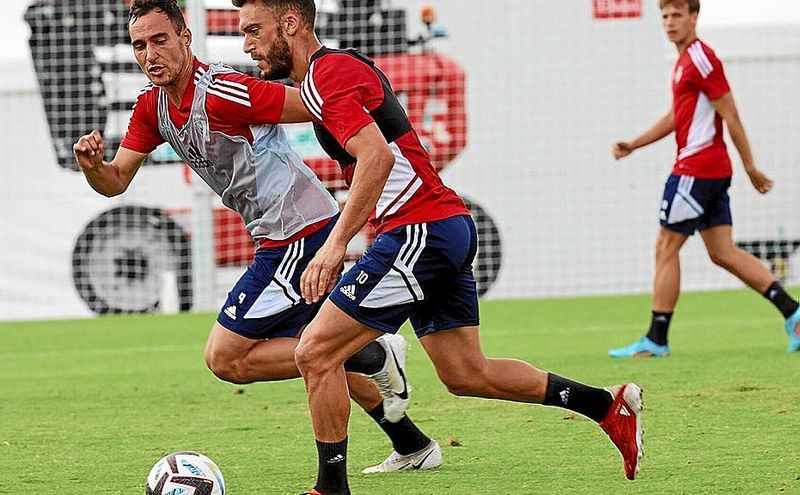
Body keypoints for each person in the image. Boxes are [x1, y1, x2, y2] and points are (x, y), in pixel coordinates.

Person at [232, 1, 644, 493]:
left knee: (315, 352)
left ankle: (330, 488)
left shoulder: (327, 74)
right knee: (467, 373)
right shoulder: (330, 72)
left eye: (254, 30)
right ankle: (605, 406)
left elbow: (377, 158)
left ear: (292, 24)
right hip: (443, 226)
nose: (247, 43)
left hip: (417, 231)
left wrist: (333, 247)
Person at [72, 0, 444, 473]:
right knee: (316, 351)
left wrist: (368, 124)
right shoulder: (152, 106)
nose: (150, 53)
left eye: (160, 40)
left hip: (301, 234)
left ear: (186, 38)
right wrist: (93, 168)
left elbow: (313, 102)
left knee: (227, 358)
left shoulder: (227, 90)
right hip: (277, 238)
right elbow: (116, 181)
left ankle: (369, 350)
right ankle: (412, 443)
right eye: (139, 45)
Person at [608, 0, 800, 358]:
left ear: (694, 17)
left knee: (665, 247)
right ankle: (795, 313)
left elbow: (731, 114)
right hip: (710, 170)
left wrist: (751, 167)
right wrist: (635, 143)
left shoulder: (701, 58)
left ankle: (656, 339)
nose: (669, 22)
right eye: (664, 16)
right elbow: (675, 117)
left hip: (696, 170)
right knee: (722, 252)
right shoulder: (683, 63)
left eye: (677, 15)